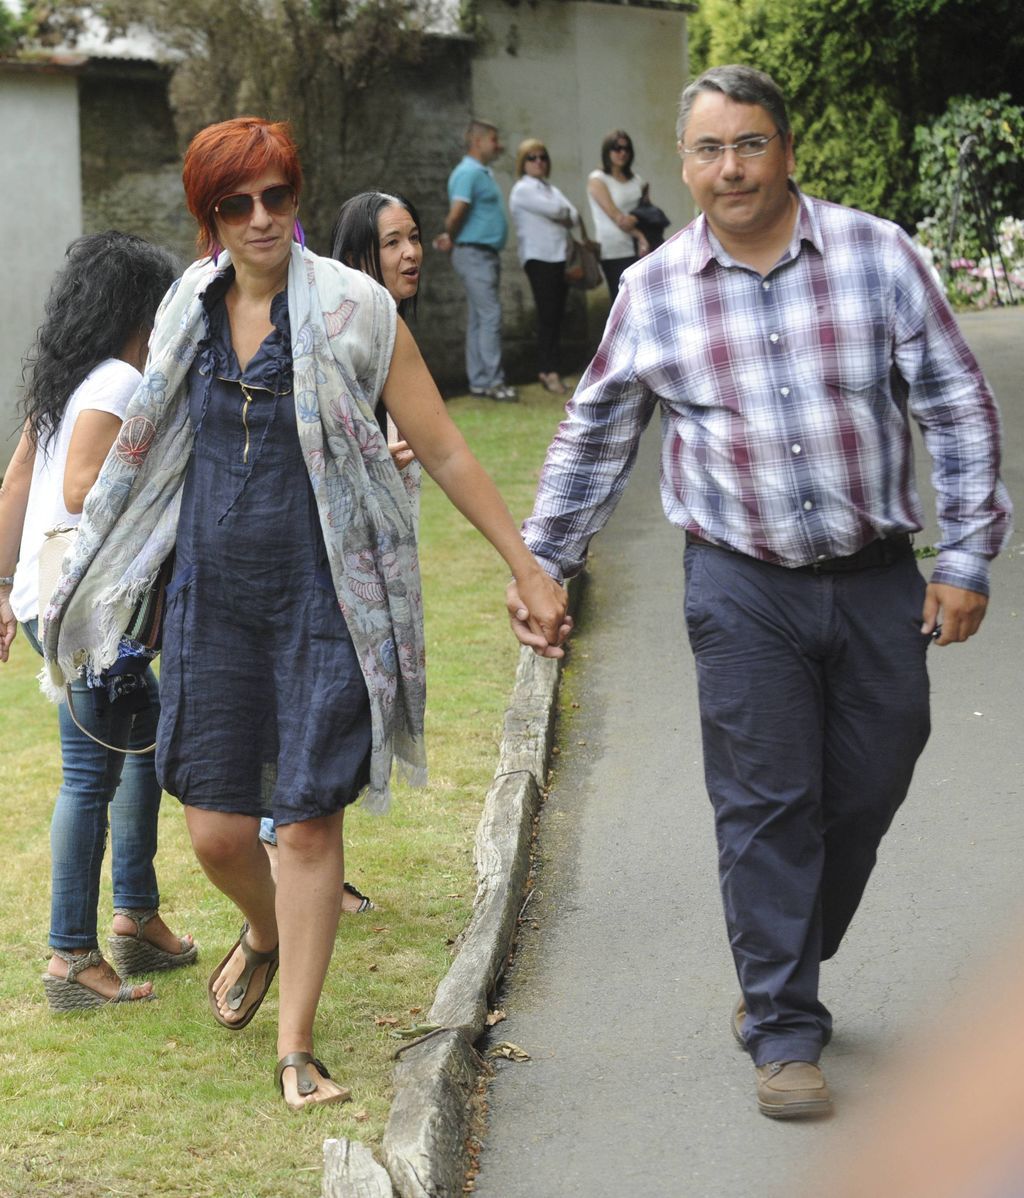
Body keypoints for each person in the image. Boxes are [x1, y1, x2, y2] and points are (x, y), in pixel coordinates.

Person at [507, 66, 1012, 1119]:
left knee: (868, 784)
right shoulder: (654, 291)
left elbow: (957, 404)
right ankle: (784, 1022)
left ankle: (778, 942)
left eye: (747, 144)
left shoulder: (877, 255)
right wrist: (544, 561)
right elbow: (596, 434)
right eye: (705, 149)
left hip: (876, 579)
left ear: (786, 150)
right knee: (766, 803)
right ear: (682, 162)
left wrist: (964, 556)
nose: (727, 167)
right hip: (739, 588)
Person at [42, 117, 569, 1110]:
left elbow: (447, 447)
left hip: (326, 596)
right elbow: (138, 453)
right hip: (213, 602)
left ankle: (296, 1046)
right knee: (213, 833)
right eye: (237, 204)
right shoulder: (185, 312)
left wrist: (527, 565)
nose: (263, 219)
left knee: (311, 825)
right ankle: (270, 929)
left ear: (297, 195)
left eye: (278, 196)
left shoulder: (355, 312)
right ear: (209, 219)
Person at [0, 231, 196, 1010]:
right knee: (90, 774)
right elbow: (83, 489)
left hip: (51, 590)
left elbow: (17, 481)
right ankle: (72, 955)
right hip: (86, 602)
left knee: (141, 729)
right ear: (140, 310)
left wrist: (1, 585)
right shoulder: (118, 379)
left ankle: (135, 914)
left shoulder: (66, 382)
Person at [256, 189, 428, 911]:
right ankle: (281, 851)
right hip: (311, 563)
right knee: (315, 709)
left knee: (338, 710)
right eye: (392, 243)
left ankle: (308, 858)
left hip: (360, 561)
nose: (411, 253)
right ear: (359, 256)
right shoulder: (326, 332)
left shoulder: (381, 333)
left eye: (414, 237)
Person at [434, 119, 517, 403]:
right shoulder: (467, 173)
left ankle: (480, 381)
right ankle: (494, 382)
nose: (499, 145)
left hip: (480, 253)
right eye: (494, 139)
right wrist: (451, 234)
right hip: (474, 254)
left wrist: (452, 236)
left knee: (479, 318)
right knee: (490, 315)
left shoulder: (481, 172)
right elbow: (458, 211)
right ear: (478, 141)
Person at [509, 138, 591, 396]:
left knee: (556, 316)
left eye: (542, 157)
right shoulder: (523, 189)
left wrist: (566, 214)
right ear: (523, 163)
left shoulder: (549, 187)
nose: (539, 162)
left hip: (558, 258)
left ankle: (551, 367)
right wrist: (564, 214)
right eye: (532, 158)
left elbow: (574, 214)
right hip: (539, 258)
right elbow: (560, 212)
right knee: (547, 316)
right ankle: (548, 370)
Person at [586, 130, 649, 300]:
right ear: (607, 151)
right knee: (620, 299)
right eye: (617, 148)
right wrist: (640, 235)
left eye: (626, 148)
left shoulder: (637, 180)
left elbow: (648, 210)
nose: (622, 152)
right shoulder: (598, 179)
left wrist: (637, 220)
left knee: (641, 299)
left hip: (639, 248)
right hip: (613, 249)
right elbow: (617, 217)